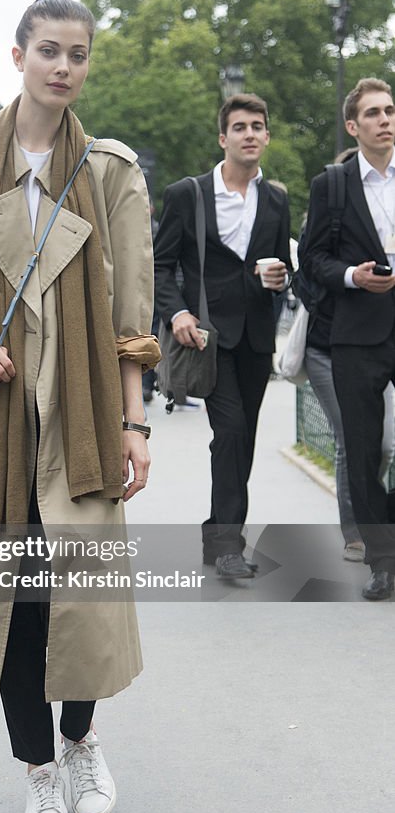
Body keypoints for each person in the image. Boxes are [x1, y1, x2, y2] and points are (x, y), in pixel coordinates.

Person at [0, 0, 160, 813]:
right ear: (16, 56)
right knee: (16, 599)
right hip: (2, 415)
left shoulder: (113, 172)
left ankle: (82, 741)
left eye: (77, 54)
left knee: (78, 596)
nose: (62, 66)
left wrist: (134, 424)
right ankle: (38, 771)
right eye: (48, 49)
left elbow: (132, 313)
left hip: (82, 415)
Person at [154, 93, 291, 578]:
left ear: (266, 137)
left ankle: (217, 534)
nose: (249, 133)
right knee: (231, 432)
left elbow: (283, 266)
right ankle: (230, 544)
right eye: (240, 127)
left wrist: (280, 278)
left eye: (257, 126)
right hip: (206, 339)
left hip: (255, 336)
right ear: (223, 138)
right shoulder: (187, 194)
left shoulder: (276, 198)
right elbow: (160, 266)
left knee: (241, 438)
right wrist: (177, 314)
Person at [303, 77, 395, 600]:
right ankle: (382, 560)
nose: (385, 120)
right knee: (361, 451)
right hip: (357, 333)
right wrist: (352, 277)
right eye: (374, 113)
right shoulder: (332, 185)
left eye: (390, 110)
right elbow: (313, 259)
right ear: (353, 125)